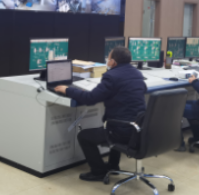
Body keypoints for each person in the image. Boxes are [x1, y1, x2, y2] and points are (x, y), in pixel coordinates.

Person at [54, 47, 146, 182]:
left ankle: (98, 172)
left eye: (109, 58)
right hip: (139, 128)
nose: (107, 60)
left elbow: (90, 99)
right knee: (119, 122)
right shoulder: (137, 73)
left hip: (122, 131)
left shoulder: (111, 76)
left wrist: (68, 90)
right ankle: (113, 165)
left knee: (84, 136)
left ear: (113, 62)